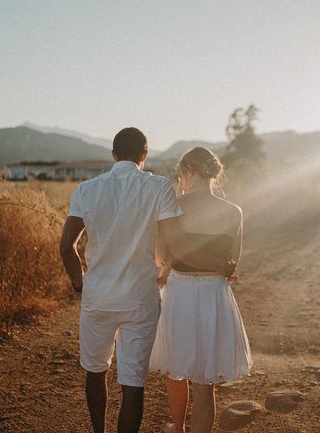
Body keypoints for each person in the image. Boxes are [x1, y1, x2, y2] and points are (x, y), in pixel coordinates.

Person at [59, 129, 234, 433]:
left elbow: (66, 246)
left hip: (97, 296)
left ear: (113, 154)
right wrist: (213, 264)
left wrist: (80, 284)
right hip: (139, 299)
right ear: (145, 154)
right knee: (132, 383)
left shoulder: (86, 190)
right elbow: (173, 242)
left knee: (95, 371)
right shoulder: (158, 188)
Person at [150, 147, 252, 433]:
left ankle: (179, 427)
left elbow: (161, 257)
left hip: (181, 292)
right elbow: (232, 261)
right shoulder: (234, 212)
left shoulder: (175, 206)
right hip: (214, 295)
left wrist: (168, 265)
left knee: (175, 369)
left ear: (189, 172)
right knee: (205, 384)